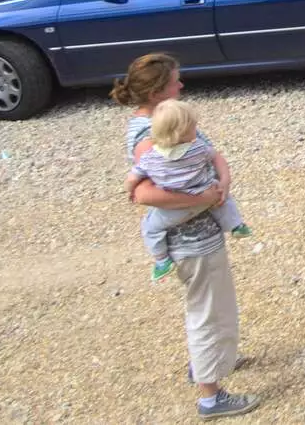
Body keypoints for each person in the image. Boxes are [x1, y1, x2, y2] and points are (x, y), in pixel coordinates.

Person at [112, 53, 262, 420]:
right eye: (174, 82)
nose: (181, 86)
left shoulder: (167, 120)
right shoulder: (148, 135)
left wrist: (221, 183)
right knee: (206, 312)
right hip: (191, 242)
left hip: (203, 235)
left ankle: (212, 361)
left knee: (214, 306)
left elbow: (208, 156)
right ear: (155, 91)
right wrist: (205, 197)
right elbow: (142, 194)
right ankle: (210, 396)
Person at [127, 98, 253, 283]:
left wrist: (129, 190)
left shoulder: (151, 158)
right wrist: (224, 181)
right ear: (186, 131)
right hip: (208, 199)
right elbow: (216, 157)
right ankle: (235, 225)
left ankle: (162, 261)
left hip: (175, 211)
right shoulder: (199, 149)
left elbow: (132, 178)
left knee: (150, 228)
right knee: (224, 201)